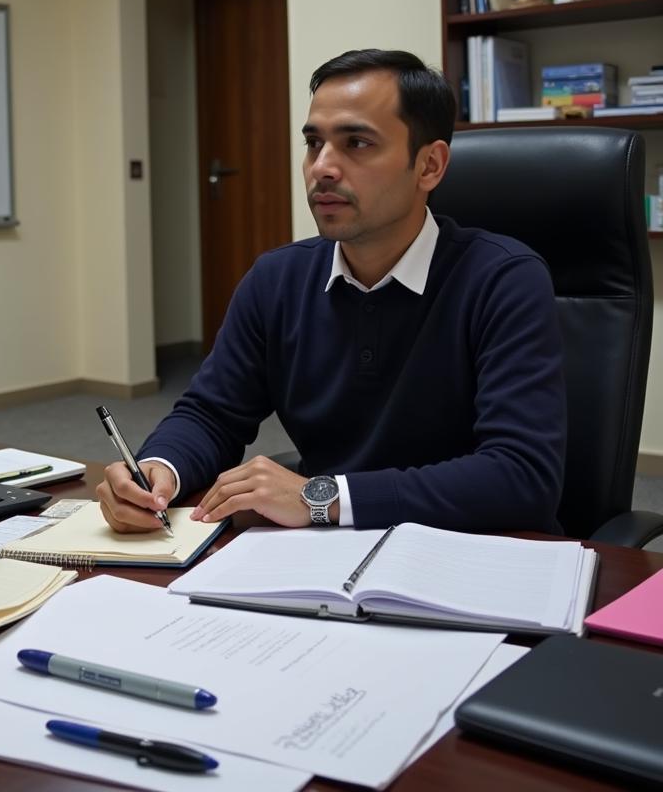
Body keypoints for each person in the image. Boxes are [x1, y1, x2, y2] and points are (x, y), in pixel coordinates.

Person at [98, 49, 566, 535]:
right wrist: (159, 471)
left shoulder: (503, 278)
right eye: (313, 143)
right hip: (324, 556)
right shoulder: (276, 279)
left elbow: (522, 475)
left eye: (357, 143)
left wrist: (321, 496)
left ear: (429, 166)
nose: (322, 167)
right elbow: (212, 414)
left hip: (471, 559)